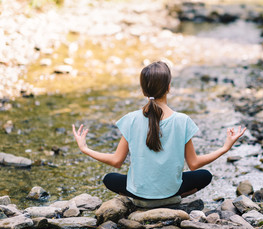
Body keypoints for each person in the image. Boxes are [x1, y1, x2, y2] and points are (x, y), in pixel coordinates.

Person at [72, 61, 246, 200]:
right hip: (171, 191)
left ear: (143, 90)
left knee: (109, 179)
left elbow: (117, 161)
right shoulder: (182, 120)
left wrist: (85, 149)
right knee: (204, 176)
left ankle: (145, 200)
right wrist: (225, 148)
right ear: (169, 87)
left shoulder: (131, 119)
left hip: (137, 193)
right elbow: (194, 164)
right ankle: (171, 198)